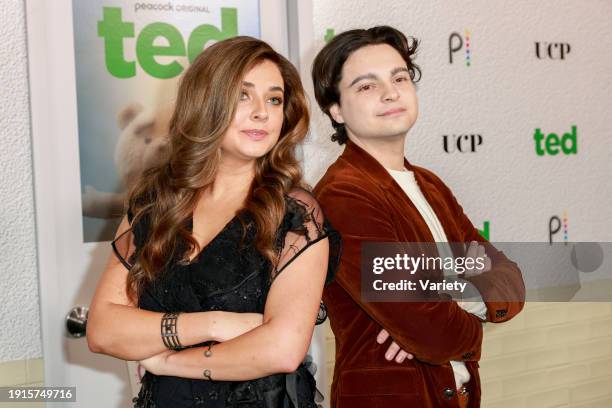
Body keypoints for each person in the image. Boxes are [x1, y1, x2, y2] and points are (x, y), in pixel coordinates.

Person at [88, 36, 341, 408]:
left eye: (274, 99)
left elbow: (282, 350)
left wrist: (170, 360)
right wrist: (213, 324)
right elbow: (103, 329)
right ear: (206, 103)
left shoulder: (294, 213)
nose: (262, 112)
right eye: (243, 95)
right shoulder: (155, 204)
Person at [311, 26, 525, 408]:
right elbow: (431, 329)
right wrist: (464, 309)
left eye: (400, 77)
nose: (391, 92)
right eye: (366, 86)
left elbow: (510, 279)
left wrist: (445, 302)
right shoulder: (343, 194)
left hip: (455, 394)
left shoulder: (429, 184)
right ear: (336, 109)